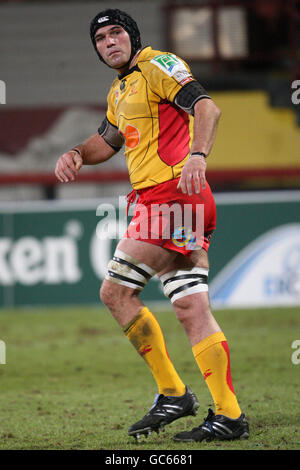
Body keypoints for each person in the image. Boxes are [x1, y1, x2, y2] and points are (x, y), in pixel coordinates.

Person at [55, 9, 249, 443]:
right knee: (190, 306)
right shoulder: (119, 90)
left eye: (116, 32)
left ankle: (173, 393)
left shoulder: (158, 65)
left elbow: (207, 108)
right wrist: (77, 154)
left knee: (116, 291)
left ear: (132, 35)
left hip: (173, 197)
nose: (109, 42)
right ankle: (229, 415)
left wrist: (198, 155)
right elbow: (107, 140)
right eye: (100, 38)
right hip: (169, 202)